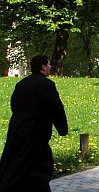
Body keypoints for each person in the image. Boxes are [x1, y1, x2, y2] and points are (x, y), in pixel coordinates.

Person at [0, 54, 68, 191]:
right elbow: (56, 107)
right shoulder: (46, 84)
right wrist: (62, 129)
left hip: (17, 130)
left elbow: (14, 105)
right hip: (35, 133)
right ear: (43, 66)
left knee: (16, 165)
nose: (50, 67)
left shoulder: (21, 84)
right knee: (39, 167)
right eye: (48, 64)